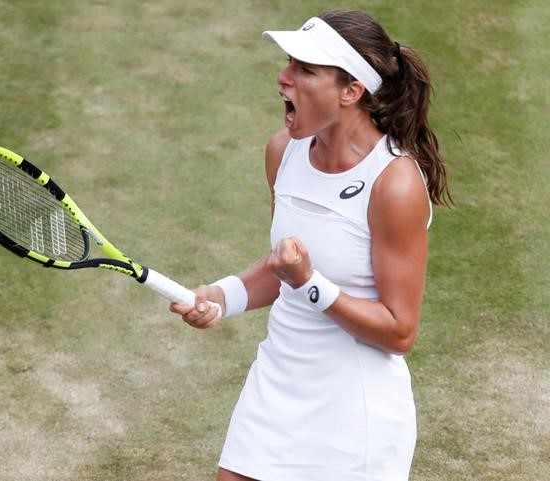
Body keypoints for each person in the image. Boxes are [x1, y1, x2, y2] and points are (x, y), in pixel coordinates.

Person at [170, 9, 452, 481]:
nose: (283, 78)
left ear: (351, 91)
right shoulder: (284, 150)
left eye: (305, 69)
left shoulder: (394, 183)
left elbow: (401, 332)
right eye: (288, 64)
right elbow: (282, 266)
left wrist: (310, 283)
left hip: (354, 412)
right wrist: (222, 296)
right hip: (277, 384)